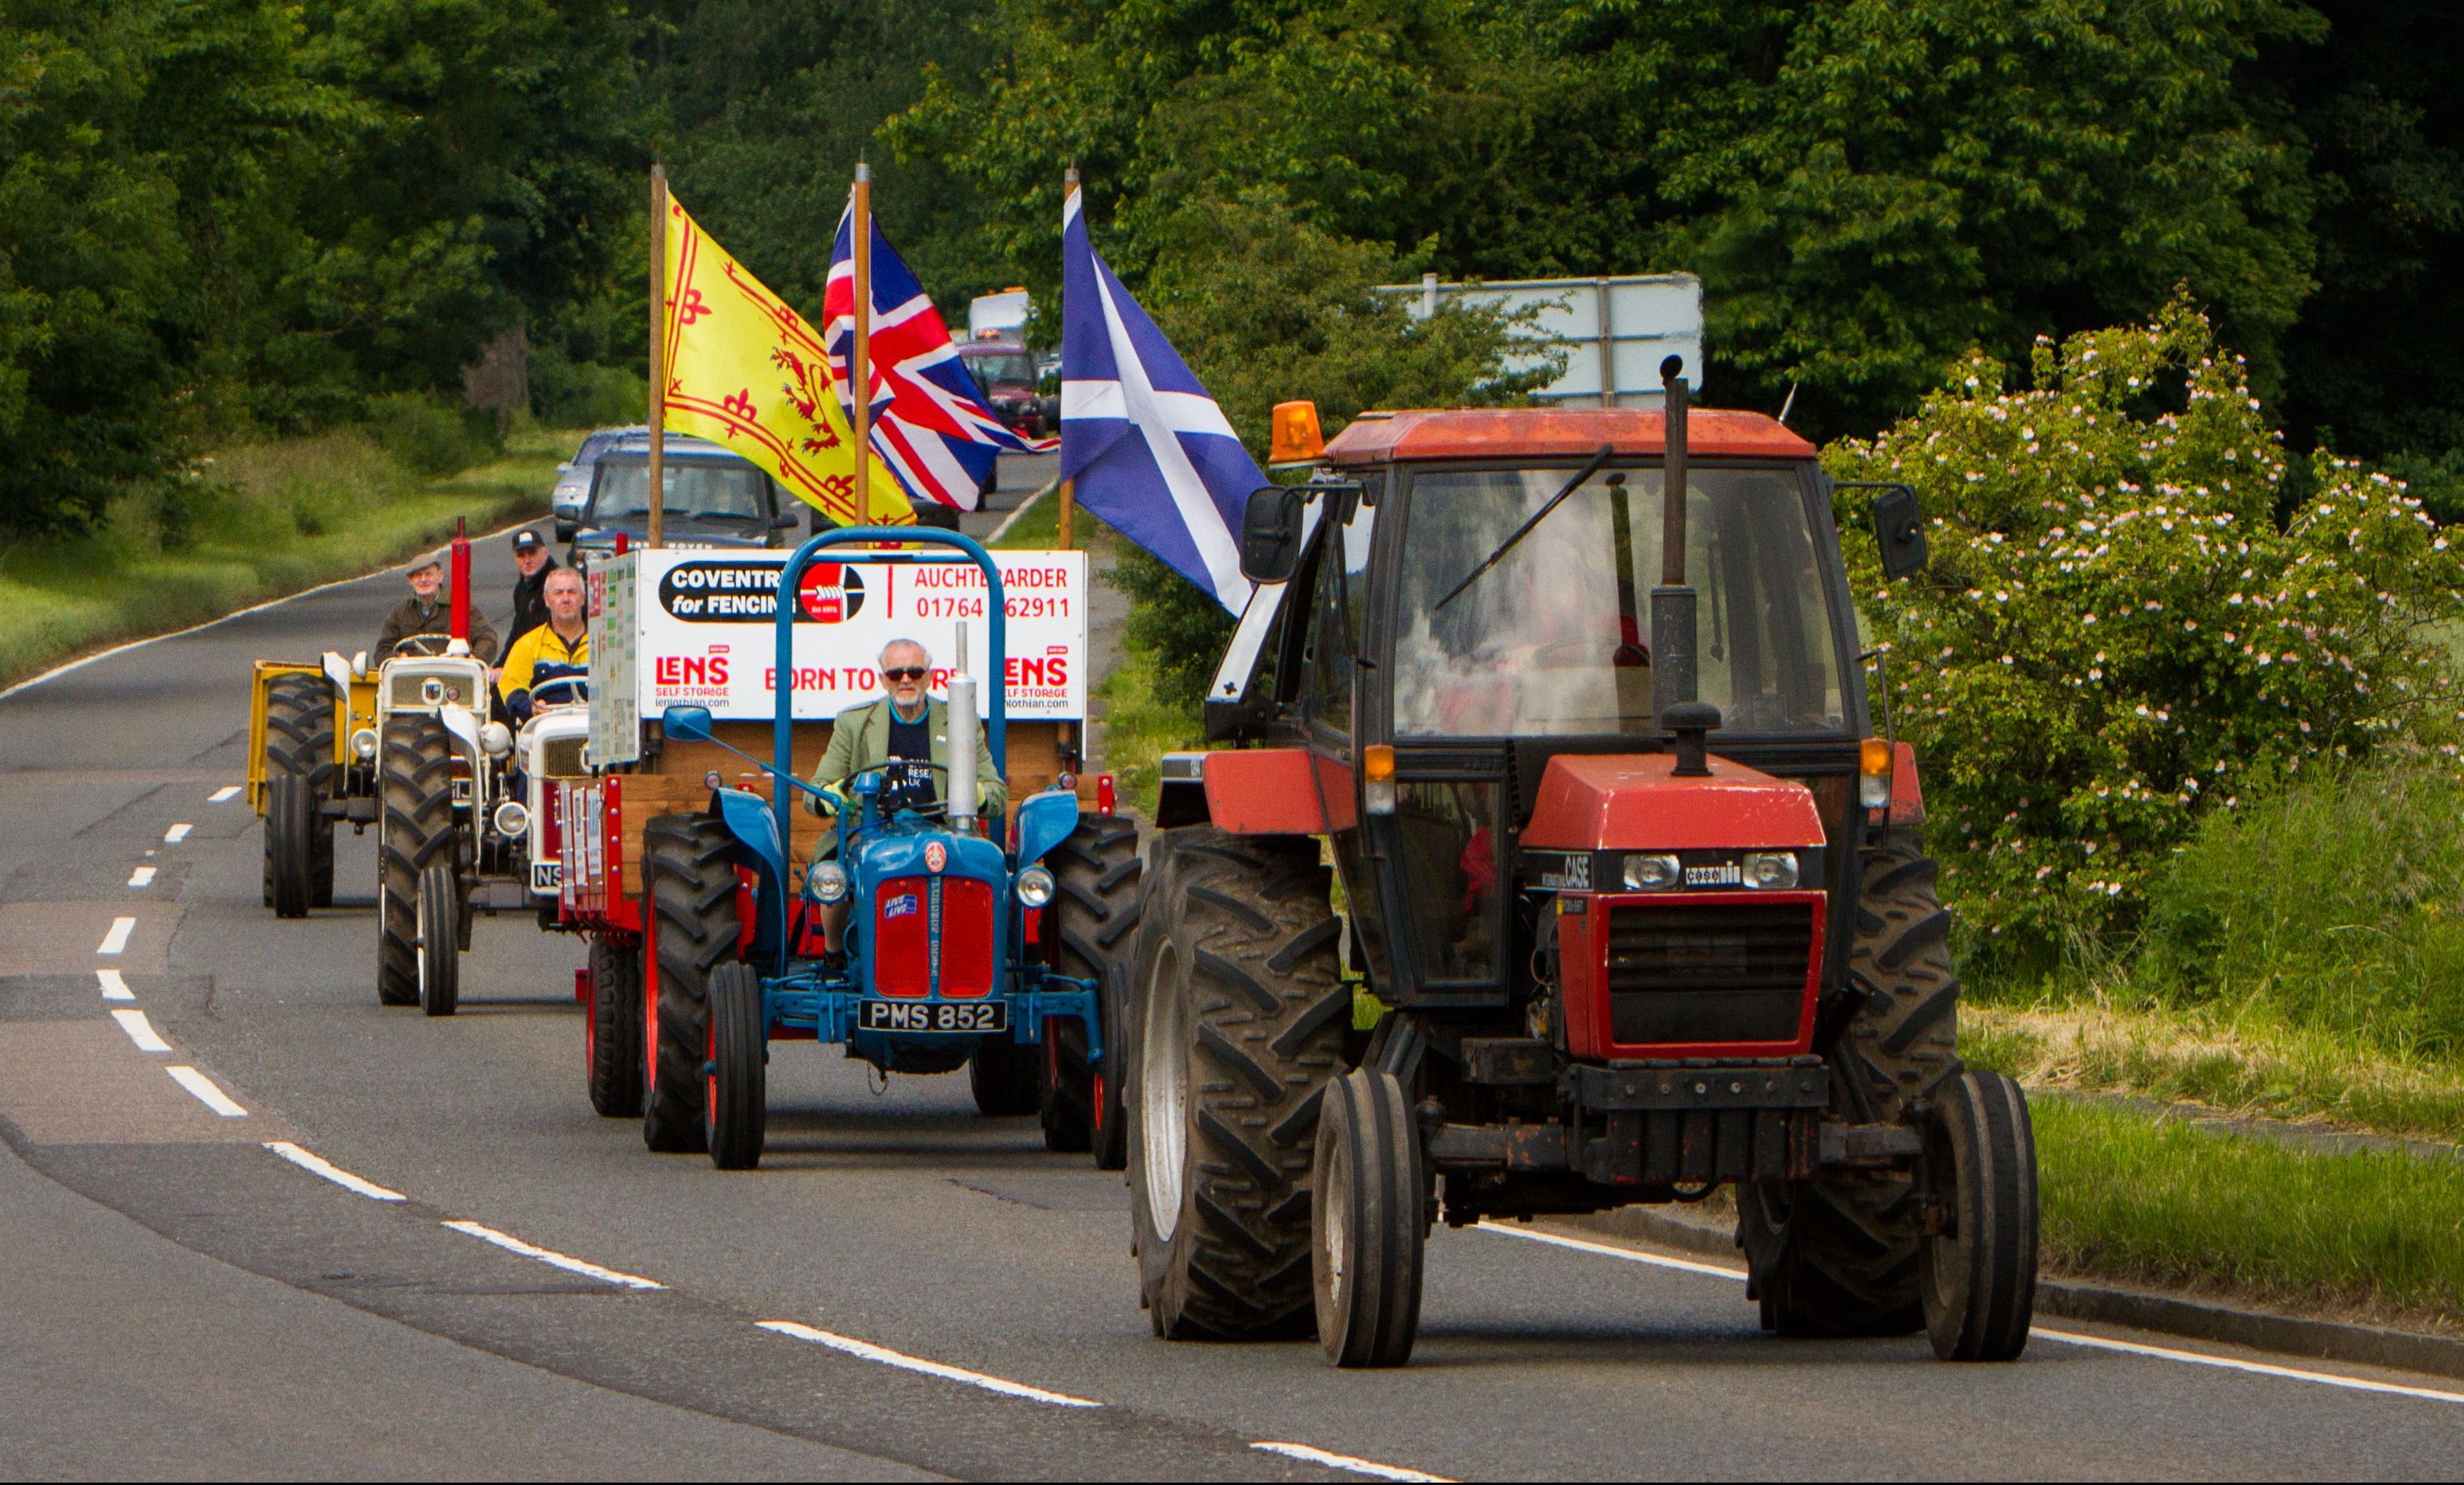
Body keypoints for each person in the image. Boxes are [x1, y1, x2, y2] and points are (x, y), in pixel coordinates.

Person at [803, 639, 1006, 951]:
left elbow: (995, 793)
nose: (906, 680)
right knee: (836, 874)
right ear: (883, 679)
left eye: (914, 671)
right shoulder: (853, 723)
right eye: (897, 674)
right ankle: (834, 955)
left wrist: (975, 794)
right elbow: (817, 790)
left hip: (945, 830)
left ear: (930, 676)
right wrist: (832, 794)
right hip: (871, 831)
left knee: (987, 869)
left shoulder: (959, 721)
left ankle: (974, 959)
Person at [497, 568, 589, 721]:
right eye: (558, 593)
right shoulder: (528, 645)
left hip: (592, 727)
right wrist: (530, 707)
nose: (566, 599)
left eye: (572, 592)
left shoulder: (602, 643)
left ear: (583, 598)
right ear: (546, 599)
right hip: (544, 727)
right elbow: (511, 687)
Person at [376, 550, 497, 662]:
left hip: (451, 674)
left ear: (440, 576)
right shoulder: (400, 612)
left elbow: (487, 637)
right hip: (412, 676)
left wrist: (474, 659)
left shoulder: (460, 607)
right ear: (410, 580)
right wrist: (397, 658)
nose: (423, 580)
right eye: (418, 575)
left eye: (428, 574)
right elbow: (382, 650)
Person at [501, 528, 559, 660]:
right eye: (521, 555)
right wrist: (500, 665)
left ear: (545, 553)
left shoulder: (556, 585)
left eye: (532, 553)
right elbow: (517, 632)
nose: (527, 560)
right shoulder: (520, 589)